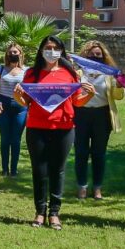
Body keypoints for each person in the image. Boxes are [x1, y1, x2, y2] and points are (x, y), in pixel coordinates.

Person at [14, 35, 95, 230]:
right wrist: (18, 96)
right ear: (41, 50)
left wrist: (89, 94)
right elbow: (26, 102)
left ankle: (54, 213)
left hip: (64, 129)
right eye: (48, 47)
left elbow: (76, 102)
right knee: (39, 171)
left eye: (55, 47)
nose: (51, 51)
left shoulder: (70, 73)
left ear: (61, 51)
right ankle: (40, 212)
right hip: (36, 128)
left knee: (57, 171)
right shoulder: (32, 74)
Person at [73, 40, 125, 200]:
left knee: (99, 154)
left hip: (102, 116)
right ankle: (82, 187)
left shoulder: (110, 74)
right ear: (85, 56)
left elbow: (118, 96)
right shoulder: (77, 73)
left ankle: (97, 188)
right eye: (92, 54)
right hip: (80, 115)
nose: (95, 57)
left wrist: (119, 83)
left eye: (98, 54)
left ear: (104, 56)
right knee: (81, 153)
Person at [0, 43, 28, 177]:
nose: (13, 54)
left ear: (20, 54)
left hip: (20, 108)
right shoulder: (1, 68)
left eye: (15, 52)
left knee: (16, 139)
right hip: (2, 106)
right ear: (7, 54)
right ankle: (4, 169)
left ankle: (14, 170)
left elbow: (30, 91)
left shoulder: (27, 71)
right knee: (5, 139)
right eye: (10, 52)